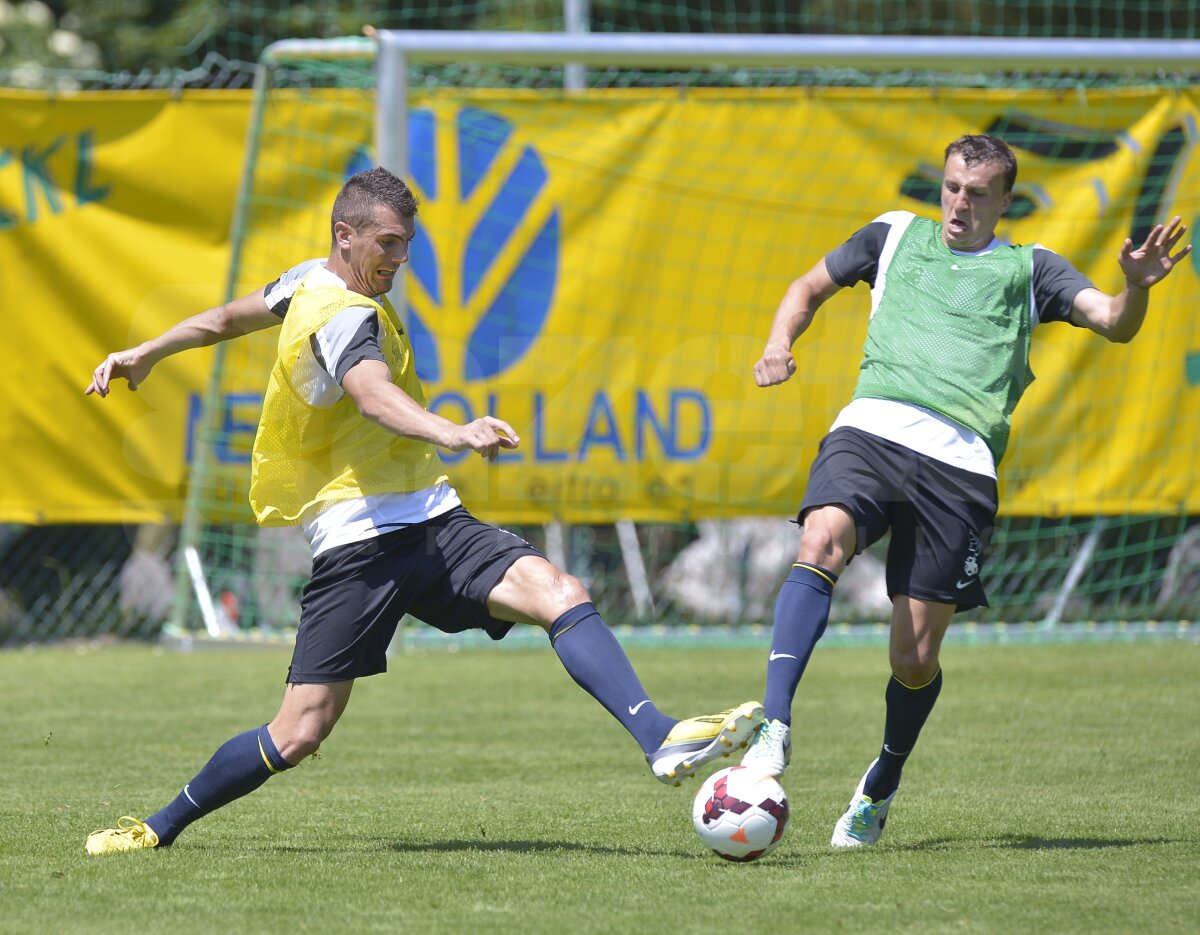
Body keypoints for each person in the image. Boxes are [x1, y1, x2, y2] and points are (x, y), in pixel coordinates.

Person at [83, 166, 763, 856]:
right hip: (358, 544)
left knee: (559, 590)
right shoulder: (340, 314)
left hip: (433, 520)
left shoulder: (304, 281)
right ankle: (157, 826)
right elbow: (371, 393)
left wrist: (148, 352)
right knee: (299, 731)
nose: (401, 258)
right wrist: (453, 431)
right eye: (388, 243)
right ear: (344, 235)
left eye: (407, 243)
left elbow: (225, 319)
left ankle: (659, 736)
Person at [737, 134, 1191, 847]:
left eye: (977, 194)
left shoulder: (1030, 268)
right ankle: (774, 725)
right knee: (820, 538)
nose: (959, 204)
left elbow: (1113, 323)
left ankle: (882, 781)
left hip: (959, 467)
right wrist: (777, 343)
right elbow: (806, 288)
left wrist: (1135, 286)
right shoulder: (892, 234)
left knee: (914, 659)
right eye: (952, 187)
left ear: (1005, 201)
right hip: (872, 429)